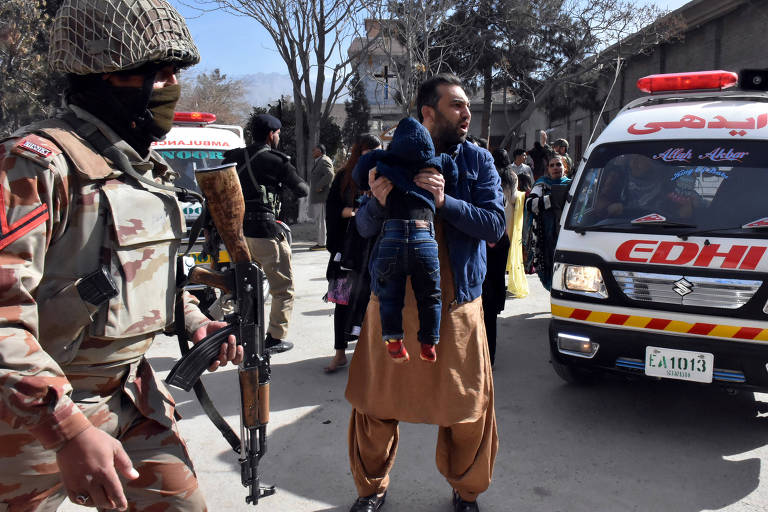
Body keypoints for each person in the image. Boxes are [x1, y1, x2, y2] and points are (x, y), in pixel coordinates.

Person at [0, 1, 243, 510]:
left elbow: (145, 277)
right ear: (110, 77)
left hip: (129, 397)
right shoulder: (34, 166)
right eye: (162, 74)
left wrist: (194, 321)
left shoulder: (140, 170)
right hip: (30, 420)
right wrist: (65, 430)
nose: (173, 88)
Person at [345, 73, 504, 512]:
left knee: (468, 411)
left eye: (468, 105)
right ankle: (371, 488)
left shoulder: (477, 162)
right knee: (375, 408)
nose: (467, 113)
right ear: (428, 112)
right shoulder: (387, 159)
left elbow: (495, 224)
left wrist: (445, 202)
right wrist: (376, 203)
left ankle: (466, 491)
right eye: (457, 105)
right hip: (391, 304)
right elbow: (359, 229)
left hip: (455, 305)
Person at [353, 116, 458, 364]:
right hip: (424, 235)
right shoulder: (436, 163)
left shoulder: (384, 160)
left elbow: (360, 172)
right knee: (430, 295)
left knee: (390, 294)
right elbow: (454, 174)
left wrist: (373, 168)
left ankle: (394, 342)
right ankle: (428, 343)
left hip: (392, 235)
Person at [221, 114, 309, 354]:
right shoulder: (276, 161)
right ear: (272, 134)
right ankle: (274, 338)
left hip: (238, 234)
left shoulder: (234, 157)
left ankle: (236, 333)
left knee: (244, 287)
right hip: (266, 232)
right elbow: (302, 189)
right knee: (283, 288)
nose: (278, 137)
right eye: (278, 133)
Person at [323, 133, 382, 373]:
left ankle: (367, 355)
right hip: (346, 252)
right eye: (370, 153)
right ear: (359, 153)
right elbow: (333, 209)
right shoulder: (343, 178)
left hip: (373, 249)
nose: (374, 158)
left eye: (378, 153)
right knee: (341, 300)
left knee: (372, 304)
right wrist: (356, 212)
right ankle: (339, 353)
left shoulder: (383, 176)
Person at [482, 151, 516, 366]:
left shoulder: (491, 187)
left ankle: (488, 357)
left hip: (493, 243)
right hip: (492, 241)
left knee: (489, 301)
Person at [526, 155, 572, 291]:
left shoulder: (573, 184)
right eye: (552, 165)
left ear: (565, 168)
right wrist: (553, 199)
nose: (555, 168)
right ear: (548, 169)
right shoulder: (542, 184)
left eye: (558, 164)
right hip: (545, 236)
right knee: (548, 268)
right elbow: (530, 204)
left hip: (567, 235)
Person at [506, 172, 530, 299]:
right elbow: (514, 198)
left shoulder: (493, 173)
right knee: (510, 250)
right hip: (509, 218)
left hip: (496, 216)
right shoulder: (511, 175)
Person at [309, 143, 335, 250]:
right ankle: (322, 242)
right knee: (320, 220)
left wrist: (319, 186)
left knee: (321, 220)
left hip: (322, 196)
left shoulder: (324, 160)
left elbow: (330, 174)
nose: (312, 152)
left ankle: (322, 244)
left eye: (314, 150)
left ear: (320, 151)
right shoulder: (319, 161)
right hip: (319, 197)